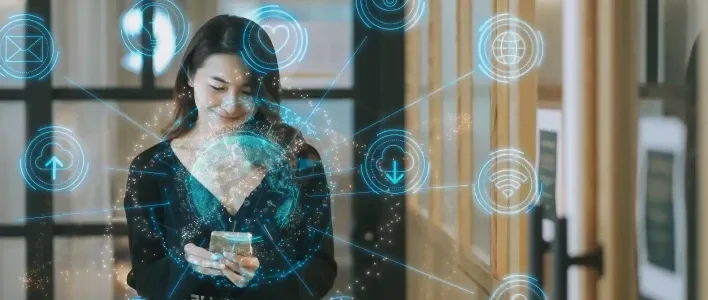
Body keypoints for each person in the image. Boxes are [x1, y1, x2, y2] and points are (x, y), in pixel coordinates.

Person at [123, 14, 337, 300]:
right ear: (190, 75)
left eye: (247, 91)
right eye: (218, 87)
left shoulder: (299, 162)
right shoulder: (152, 169)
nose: (231, 104)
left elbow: (320, 268)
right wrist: (186, 266)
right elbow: (146, 278)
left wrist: (265, 276)